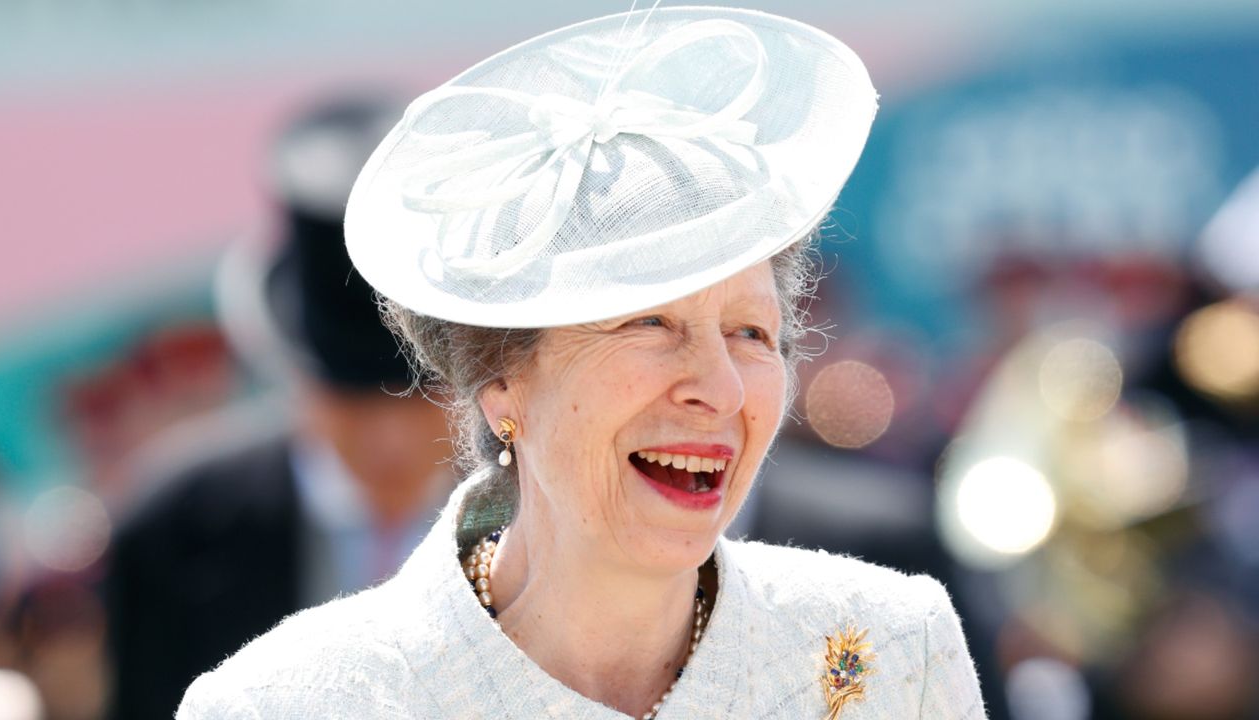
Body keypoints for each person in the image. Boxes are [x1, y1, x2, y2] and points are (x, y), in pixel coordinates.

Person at [178, 7, 987, 719]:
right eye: (649, 322)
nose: (721, 388)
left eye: (750, 334)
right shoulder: (289, 704)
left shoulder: (884, 653)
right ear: (502, 381)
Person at [105, 97, 452, 720]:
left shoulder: (548, 510)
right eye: (352, 397)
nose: (390, 439)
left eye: (423, 392)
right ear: (292, 371)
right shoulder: (173, 524)